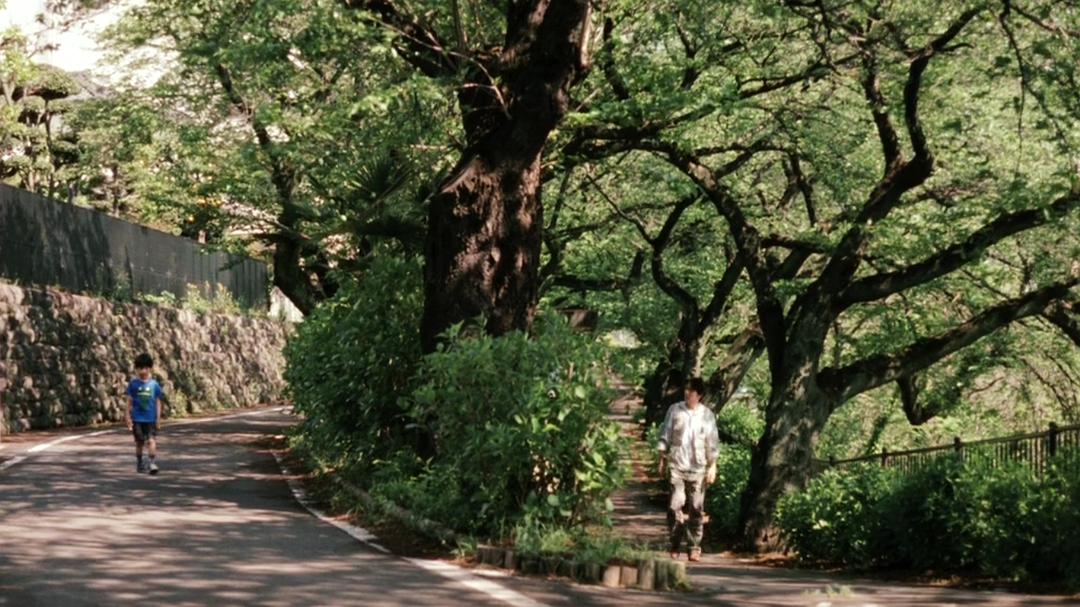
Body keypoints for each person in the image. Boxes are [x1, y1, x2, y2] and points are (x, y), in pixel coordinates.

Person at [657, 377, 719, 562]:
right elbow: (665, 434)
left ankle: (694, 547)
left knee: (696, 509)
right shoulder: (675, 410)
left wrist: (712, 465)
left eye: (691, 391)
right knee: (675, 505)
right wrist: (661, 459)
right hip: (677, 465)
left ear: (699, 395)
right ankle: (675, 543)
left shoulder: (707, 415)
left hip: (698, 468)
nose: (687, 393)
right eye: (686, 390)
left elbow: (712, 442)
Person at [124, 353, 164, 475]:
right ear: (136, 369)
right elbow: (129, 401)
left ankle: (152, 463)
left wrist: (158, 418)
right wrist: (127, 416)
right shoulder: (133, 384)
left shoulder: (154, 385)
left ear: (150, 368)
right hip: (137, 419)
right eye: (140, 368)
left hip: (150, 419)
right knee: (139, 443)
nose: (143, 371)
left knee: (151, 441)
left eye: (145, 368)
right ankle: (140, 462)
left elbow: (158, 402)